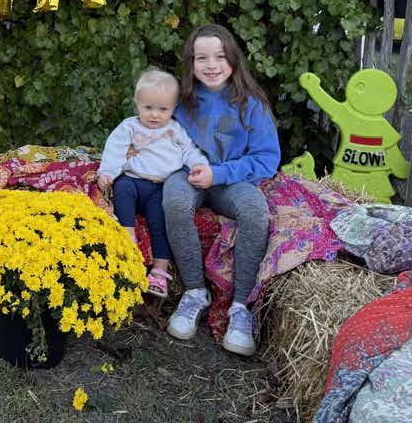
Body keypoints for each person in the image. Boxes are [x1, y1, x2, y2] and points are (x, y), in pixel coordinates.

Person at [163, 24, 280, 356]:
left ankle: (241, 307)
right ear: (191, 63)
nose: (211, 65)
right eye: (202, 58)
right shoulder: (179, 100)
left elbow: (267, 158)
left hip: (233, 180)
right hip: (187, 173)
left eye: (220, 56)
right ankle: (194, 292)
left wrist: (219, 173)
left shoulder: (251, 103)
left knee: (255, 211)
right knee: (174, 200)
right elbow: (157, 135)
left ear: (233, 59)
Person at [97, 69, 209, 299]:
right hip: (133, 180)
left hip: (160, 188)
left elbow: (190, 151)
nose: (155, 115)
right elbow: (115, 150)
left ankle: (159, 271)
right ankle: (128, 237)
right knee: (122, 189)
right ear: (137, 103)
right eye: (148, 108)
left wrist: (199, 165)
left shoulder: (175, 130)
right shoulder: (130, 127)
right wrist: (107, 172)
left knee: (160, 222)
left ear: (174, 108)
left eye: (163, 109)